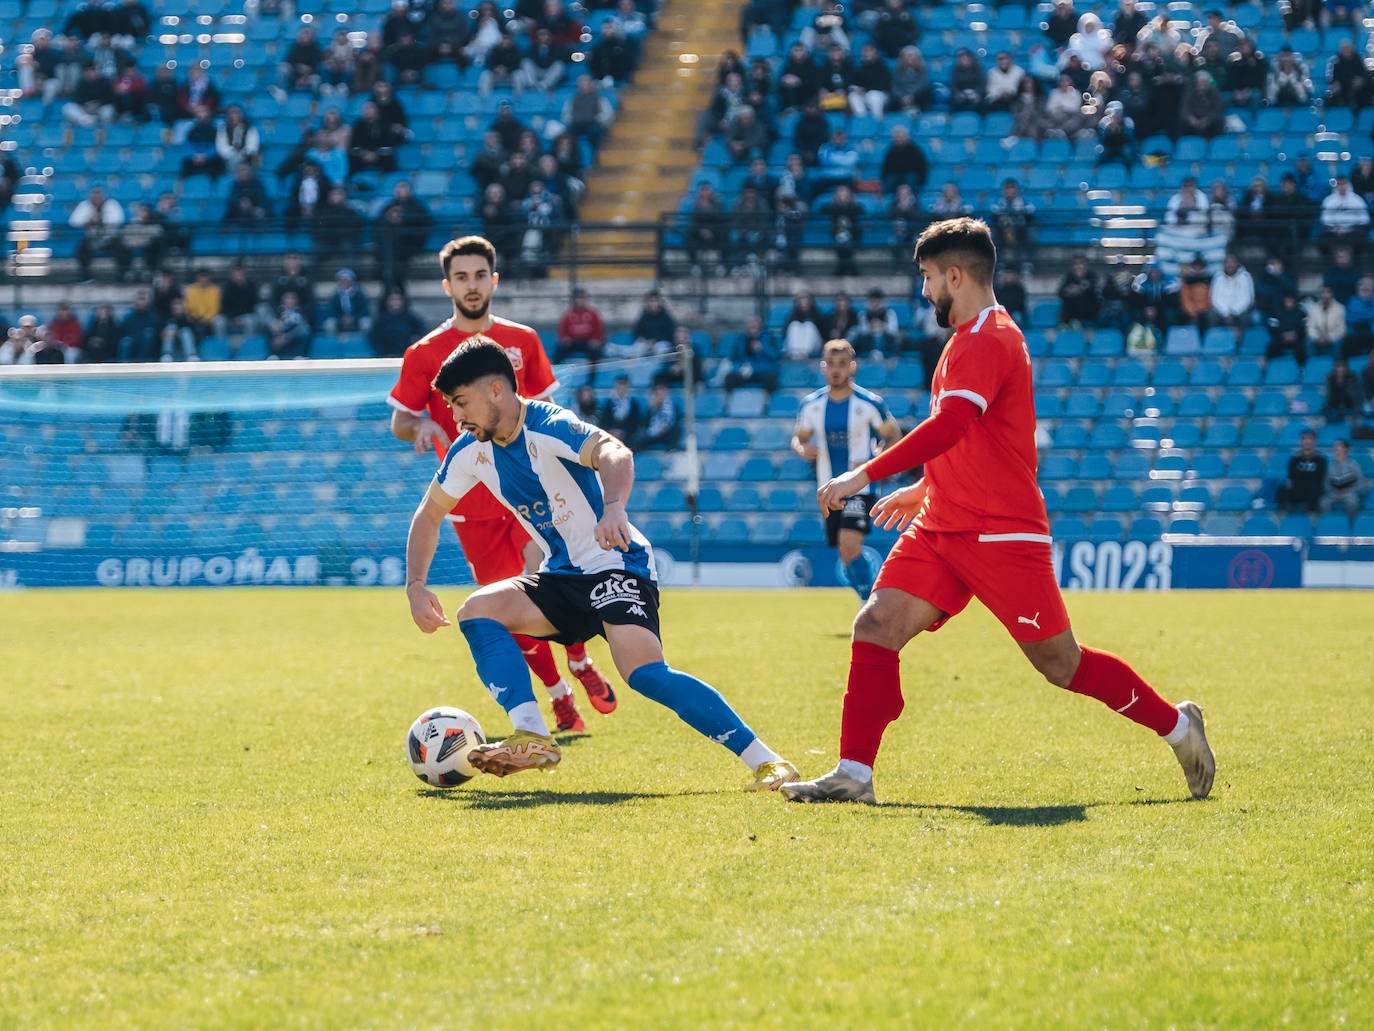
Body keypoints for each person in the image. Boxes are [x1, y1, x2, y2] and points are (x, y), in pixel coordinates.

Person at [780, 217, 1216, 805]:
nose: (924, 290)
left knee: (1063, 665)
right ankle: (854, 773)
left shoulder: (991, 337)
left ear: (955, 276)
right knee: (875, 625)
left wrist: (866, 472)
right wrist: (926, 489)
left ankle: (1178, 726)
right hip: (942, 526)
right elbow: (969, 439)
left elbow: (953, 424)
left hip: (1001, 534)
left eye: (929, 278)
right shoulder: (964, 340)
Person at [404, 339, 799, 789]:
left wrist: (614, 508)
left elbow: (615, 452)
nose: (455, 417)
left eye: (460, 402)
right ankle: (534, 735)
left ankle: (767, 760)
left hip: (616, 565)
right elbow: (429, 514)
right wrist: (416, 584)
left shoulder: (547, 424)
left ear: (496, 390)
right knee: (477, 611)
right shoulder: (470, 450)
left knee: (645, 675)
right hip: (561, 576)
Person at [388, 235, 616, 732]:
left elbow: (547, 413)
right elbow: (400, 421)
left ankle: (579, 660)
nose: (471, 286)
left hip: (532, 489)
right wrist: (422, 425)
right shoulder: (424, 353)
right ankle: (559, 696)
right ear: (447, 285)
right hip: (472, 500)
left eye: (479, 275)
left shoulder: (524, 342)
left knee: (552, 581)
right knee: (506, 605)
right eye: (461, 277)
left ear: (494, 280)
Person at [792, 339, 902, 604]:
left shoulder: (869, 403)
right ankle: (872, 596)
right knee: (845, 551)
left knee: (849, 545)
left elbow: (894, 437)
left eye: (842, 364)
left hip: (860, 487)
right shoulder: (811, 405)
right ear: (823, 367)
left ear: (852, 367)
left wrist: (875, 458)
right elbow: (799, 438)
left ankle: (873, 604)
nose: (836, 370)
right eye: (831, 364)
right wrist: (802, 449)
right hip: (828, 488)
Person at [1277, 429, 1327, 514]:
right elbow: (1292, 476)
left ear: (1314, 441)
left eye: (1310, 439)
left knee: (1317, 491)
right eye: (1304, 439)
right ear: (1300, 441)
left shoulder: (1321, 459)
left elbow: (1320, 478)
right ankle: (1289, 509)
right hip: (1298, 489)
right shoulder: (1294, 459)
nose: (1307, 441)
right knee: (1282, 490)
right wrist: (1307, 475)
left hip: (1313, 491)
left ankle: (1309, 509)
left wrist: (1303, 475)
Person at [555, 288, 606, 364]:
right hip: (573, 342)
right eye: (578, 298)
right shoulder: (568, 315)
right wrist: (565, 338)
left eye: (583, 298)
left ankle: (592, 375)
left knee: (596, 352)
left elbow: (599, 331)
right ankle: (553, 373)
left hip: (588, 342)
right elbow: (562, 331)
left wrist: (596, 340)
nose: (580, 300)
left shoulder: (593, 314)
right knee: (559, 350)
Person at [1323, 439, 1368, 521]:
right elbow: (1325, 484)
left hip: (1349, 493)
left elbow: (1362, 485)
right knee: (1323, 503)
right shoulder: (1330, 466)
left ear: (1346, 449)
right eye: (1335, 448)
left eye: (1338, 447)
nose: (1336, 450)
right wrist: (1332, 491)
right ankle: (1329, 524)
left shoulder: (1354, 465)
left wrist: (1349, 490)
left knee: (1352, 502)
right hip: (1333, 494)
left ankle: (1351, 525)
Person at [598, 375, 642, 443]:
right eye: (619, 387)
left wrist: (623, 432)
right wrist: (612, 431)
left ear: (627, 388)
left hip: (628, 440)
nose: (621, 390)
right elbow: (603, 422)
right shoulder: (608, 404)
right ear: (616, 387)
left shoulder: (634, 405)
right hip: (610, 438)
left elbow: (635, 424)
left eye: (624, 387)